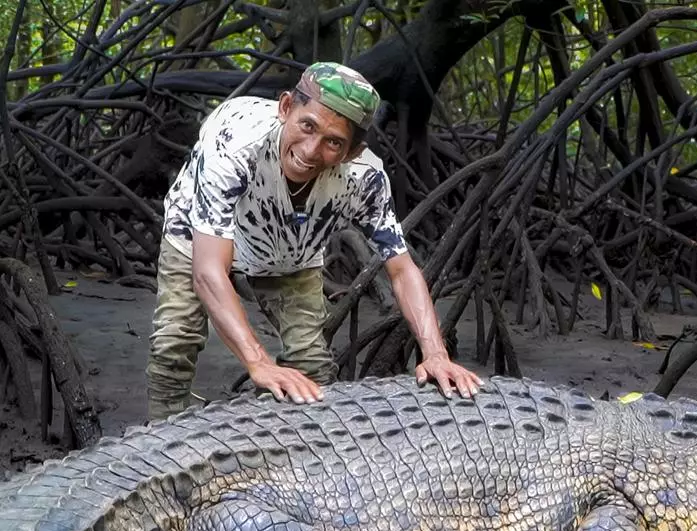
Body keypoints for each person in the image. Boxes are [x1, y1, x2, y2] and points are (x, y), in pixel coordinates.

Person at [146, 62, 481, 420]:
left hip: (292, 248)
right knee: (174, 343)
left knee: (313, 366)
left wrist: (435, 354)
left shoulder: (362, 177)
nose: (310, 150)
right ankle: (158, 443)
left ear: (351, 151)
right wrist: (259, 363)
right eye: (307, 126)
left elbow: (401, 268)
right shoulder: (236, 146)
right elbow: (208, 270)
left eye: (333, 142)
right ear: (286, 107)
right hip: (199, 233)